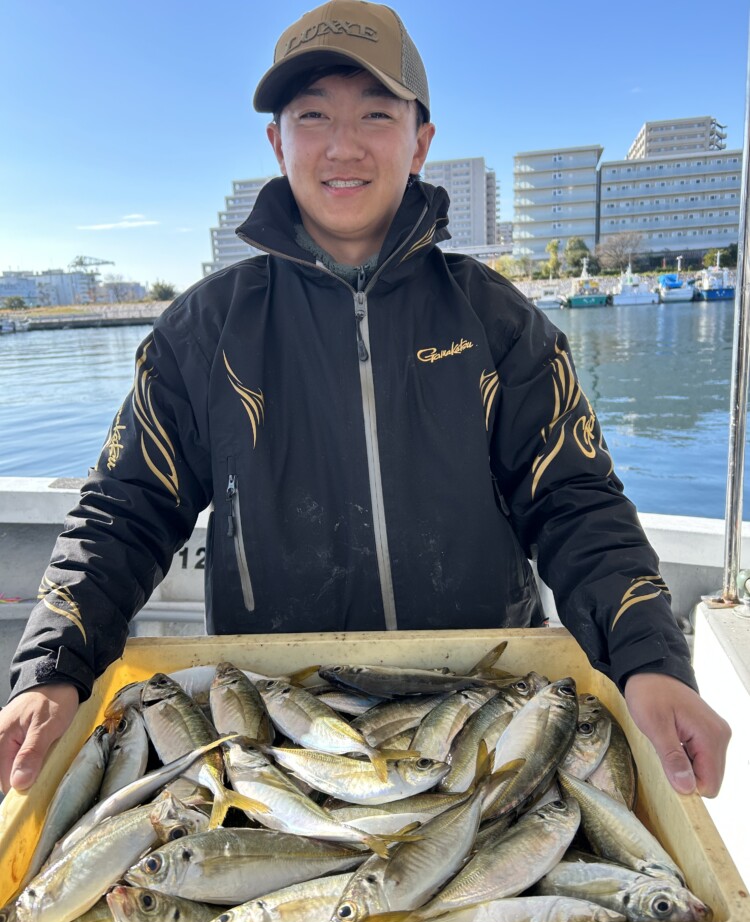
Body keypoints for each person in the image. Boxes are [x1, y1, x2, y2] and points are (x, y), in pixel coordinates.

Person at [0, 0, 730, 799]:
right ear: (277, 143)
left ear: (420, 142)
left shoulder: (497, 319)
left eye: (376, 114)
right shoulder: (203, 330)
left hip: (481, 714)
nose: (342, 145)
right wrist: (54, 667)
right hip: (278, 728)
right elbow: (125, 510)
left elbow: (575, 502)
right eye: (312, 116)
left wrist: (651, 660)